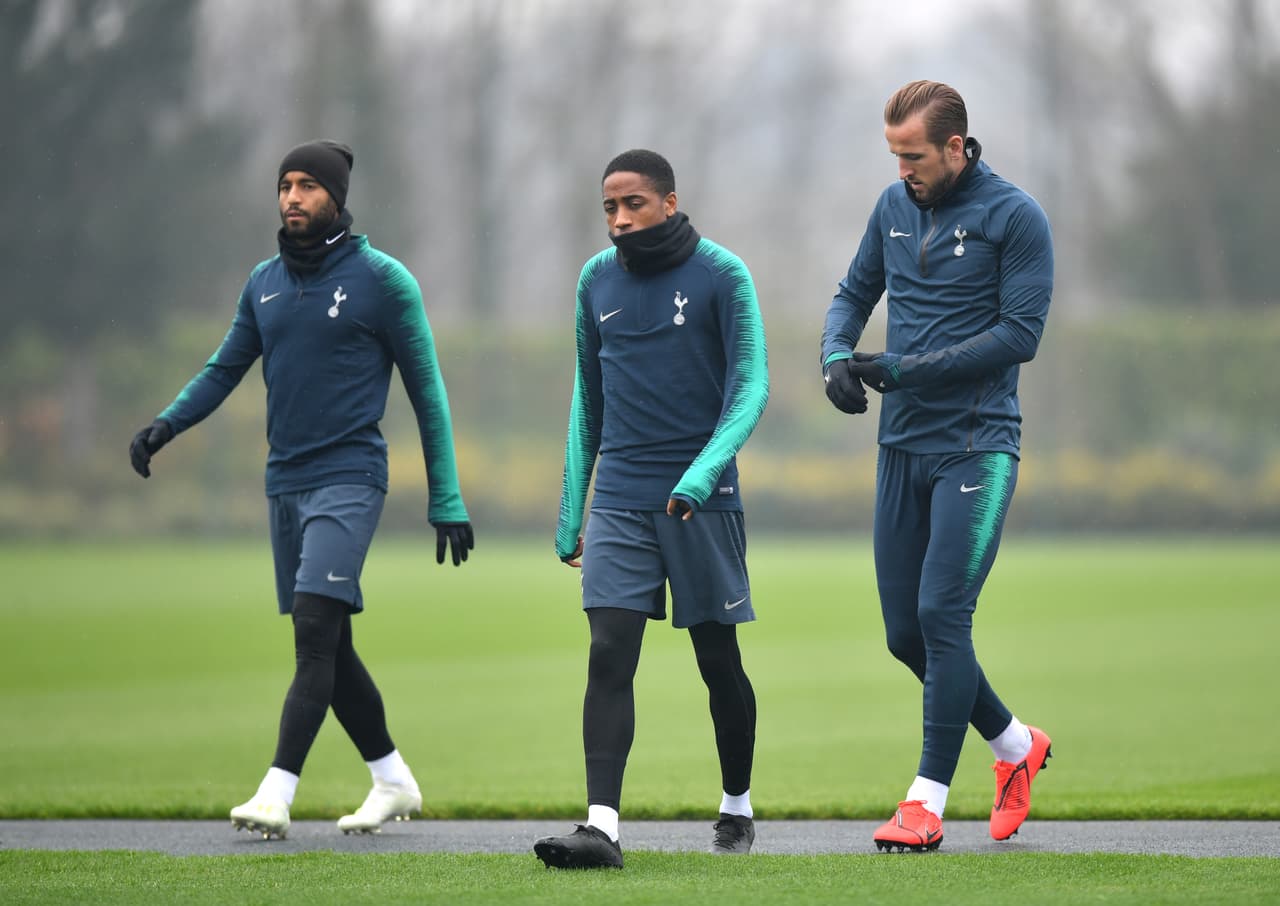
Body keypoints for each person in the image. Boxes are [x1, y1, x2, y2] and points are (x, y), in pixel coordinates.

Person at [129, 140, 474, 840]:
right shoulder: (263, 283)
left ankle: (275, 792)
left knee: (315, 630)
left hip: (350, 478)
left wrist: (447, 497)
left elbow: (427, 393)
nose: (292, 197)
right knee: (330, 643)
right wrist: (166, 425)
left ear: (337, 199)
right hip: (283, 482)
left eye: (309, 185)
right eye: (285, 184)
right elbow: (223, 369)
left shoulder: (383, 280)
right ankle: (392, 778)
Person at [820, 81, 1054, 852]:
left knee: (941, 616)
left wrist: (905, 370)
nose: (902, 171)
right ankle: (1017, 747)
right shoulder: (891, 210)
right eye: (894, 155)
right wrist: (834, 356)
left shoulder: (1014, 218)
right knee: (903, 633)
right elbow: (854, 291)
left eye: (913, 156)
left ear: (956, 147)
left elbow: (1019, 336)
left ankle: (924, 806)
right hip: (901, 449)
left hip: (978, 447)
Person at [533, 149, 770, 869]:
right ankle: (601, 828)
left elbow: (751, 388)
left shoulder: (722, 275)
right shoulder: (595, 280)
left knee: (716, 660)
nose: (620, 219)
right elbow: (588, 398)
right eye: (609, 207)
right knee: (608, 652)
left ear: (670, 201)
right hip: (624, 501)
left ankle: (736, 804)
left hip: (701, 502)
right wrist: (574, 504)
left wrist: (701, 477)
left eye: (633, 203)